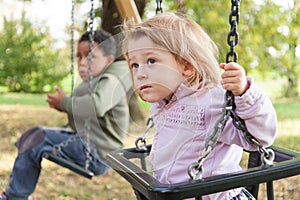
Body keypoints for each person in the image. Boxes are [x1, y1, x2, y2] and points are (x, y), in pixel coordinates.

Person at [121, 12, 277, 200]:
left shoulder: (212, 101)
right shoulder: (163, 103)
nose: (140, 73)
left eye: (151, 61)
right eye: (134, 65)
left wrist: (244, 93)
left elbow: (260, 137)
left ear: (186, 67)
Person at [0, 30, 131, 200]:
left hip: (98, 154)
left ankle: (14, 196)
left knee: (37, 139)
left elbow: (97, 106)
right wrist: (63, 106)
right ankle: (15, 193)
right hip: (87, 143)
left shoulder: (112, 81)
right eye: (79, 57)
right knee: (31, 135)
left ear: (109, 60)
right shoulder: (97, 80)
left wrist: (64, 103)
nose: (82, 63)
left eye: (90, 57)